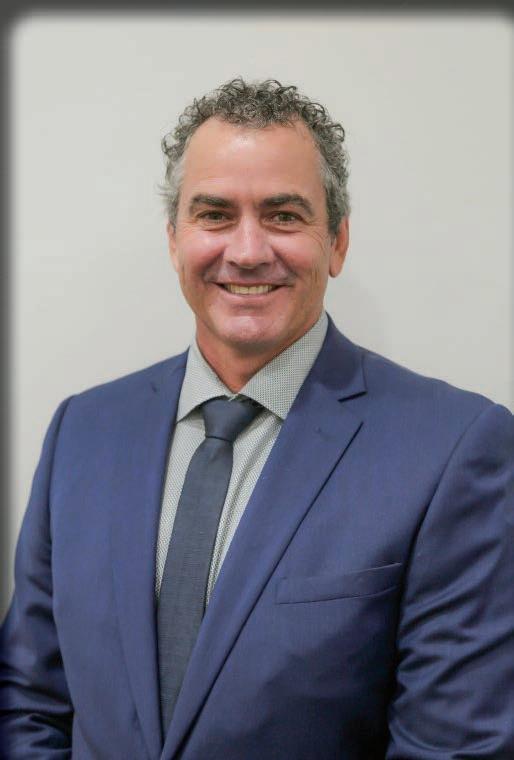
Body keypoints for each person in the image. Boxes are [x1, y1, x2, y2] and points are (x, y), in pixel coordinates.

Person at [1, 78, 513, 760]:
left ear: (337, 241)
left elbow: (453, 746)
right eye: (214, 214)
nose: (246, 251)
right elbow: (29, 702)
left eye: (283, 215)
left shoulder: (455, 449)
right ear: (175, 240)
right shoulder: (82, 433)